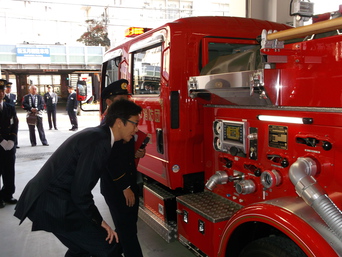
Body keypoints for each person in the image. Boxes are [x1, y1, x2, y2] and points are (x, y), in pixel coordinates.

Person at [14, 99, 142, 257]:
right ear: (119, 122)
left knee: (81, 249)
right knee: (107, 247)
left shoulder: (99, 136)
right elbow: (80, 192)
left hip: (52, 198)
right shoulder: (99, 142)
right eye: (134, 123)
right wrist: (99, 222)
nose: (136, 129)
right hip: (52, 201)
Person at [100, 79, 146, 257]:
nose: (126, 103)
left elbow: (122, 153)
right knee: (127, 230)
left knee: (127, 227)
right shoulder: (107, 127)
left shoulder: (122, 121)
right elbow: (111, 160)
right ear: (109, 102)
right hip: (117, 187)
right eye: (121, 100)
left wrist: (135, 155)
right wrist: (125, 187)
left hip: (127, 182)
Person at [0, 79, 19, 208]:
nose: (1, 93)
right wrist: (1, 141)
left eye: (2, 91)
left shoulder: (10, 107)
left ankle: (7, 194)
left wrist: (12, 140)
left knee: (9, 170)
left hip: (9, 145)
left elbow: (15, 123)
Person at [4, 81, 20, 148]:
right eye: (7, 88)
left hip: (13, 115)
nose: (9, 89)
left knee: (14, 128)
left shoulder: (13, 96)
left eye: (10, 88)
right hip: (6, 115)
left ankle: (15, 143)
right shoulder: (3, 96)